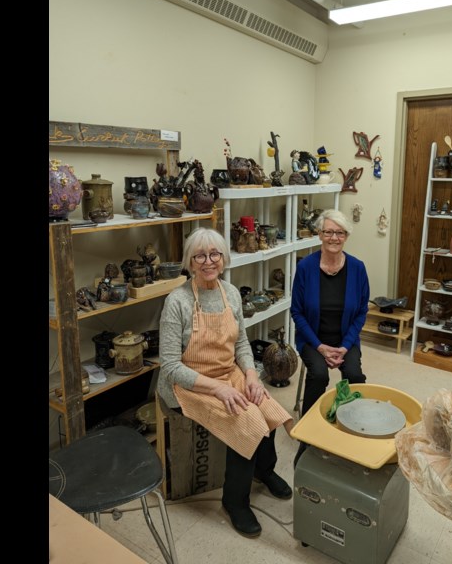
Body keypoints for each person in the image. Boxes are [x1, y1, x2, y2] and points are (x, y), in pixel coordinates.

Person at [158, 228, 294, 539]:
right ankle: (235, 501)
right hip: (190, 383)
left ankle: (264, 470)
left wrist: (250, 375)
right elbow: (169, 367)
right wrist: (219, 388)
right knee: (246, 421)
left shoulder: (230, 293)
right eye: (201, 256)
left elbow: (242, 344)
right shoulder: (177, 302)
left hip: (227, 371)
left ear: (224, 258)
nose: (209, 261)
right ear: (190, 262)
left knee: (267, 406)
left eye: (215, 254)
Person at [289, 209, 369, 465]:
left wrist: (345, 347)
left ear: (346, 236)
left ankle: (354, 428)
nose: (334, 237)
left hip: (345, 339)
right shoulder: (305, 267)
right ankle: (308, 438)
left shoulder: (357, 268)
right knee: (319, 375)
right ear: (319, 235)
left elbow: (361, 312)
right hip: (313, 339)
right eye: (328, 232)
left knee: (355, 376)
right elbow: (297, 312)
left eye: (339, 232)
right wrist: (321, 347)